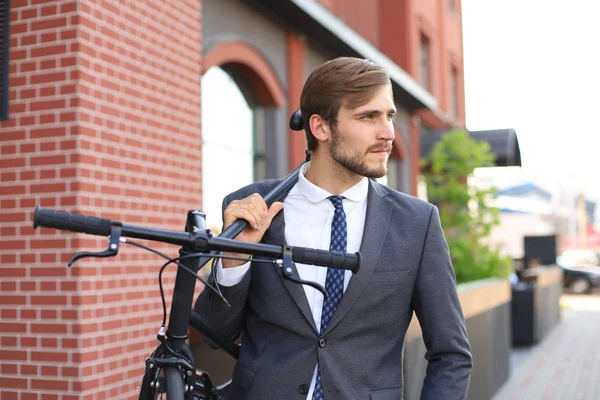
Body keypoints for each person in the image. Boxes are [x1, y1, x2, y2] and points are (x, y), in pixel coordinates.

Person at [194, 57, 472, 399]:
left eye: (389, 116)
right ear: (321, 127)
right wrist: (234, 259)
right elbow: (211, 332)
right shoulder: (253, 206)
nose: (387, 133)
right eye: (368, 116)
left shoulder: (418, 223)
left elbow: (451, 355)